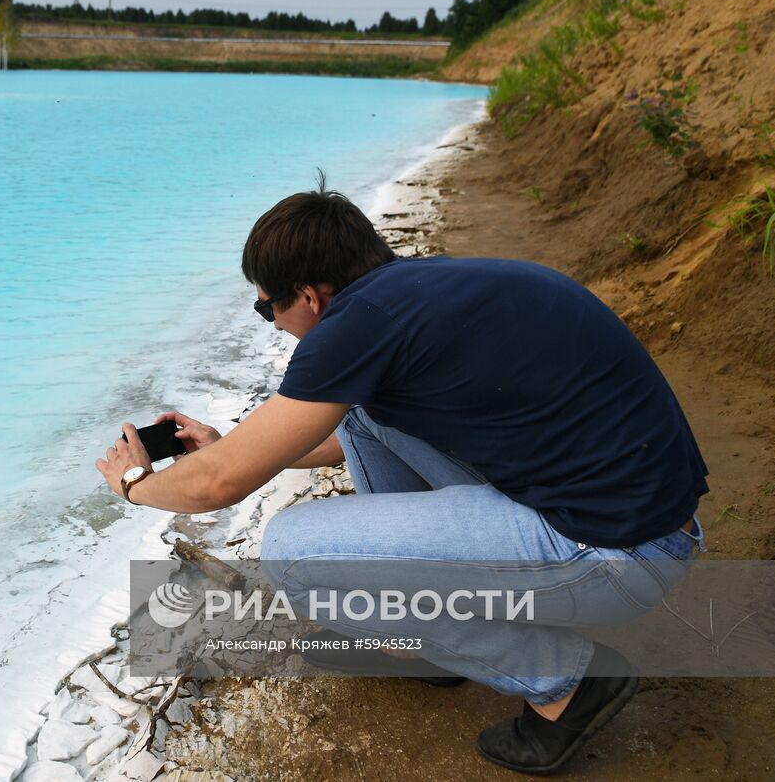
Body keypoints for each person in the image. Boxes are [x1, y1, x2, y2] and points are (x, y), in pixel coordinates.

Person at [94, 176, 708, 775]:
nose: (273, 323)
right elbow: (337, 438)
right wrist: (229, 446)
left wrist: (133, 486)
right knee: (363, 412)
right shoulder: (420, 290)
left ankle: (568, 684)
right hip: (644, 519)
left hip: (611, 552)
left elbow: (216, 487)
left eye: (266, 308)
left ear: (309, 296)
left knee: (293, 552)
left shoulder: (353, 329)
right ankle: (425, 643)